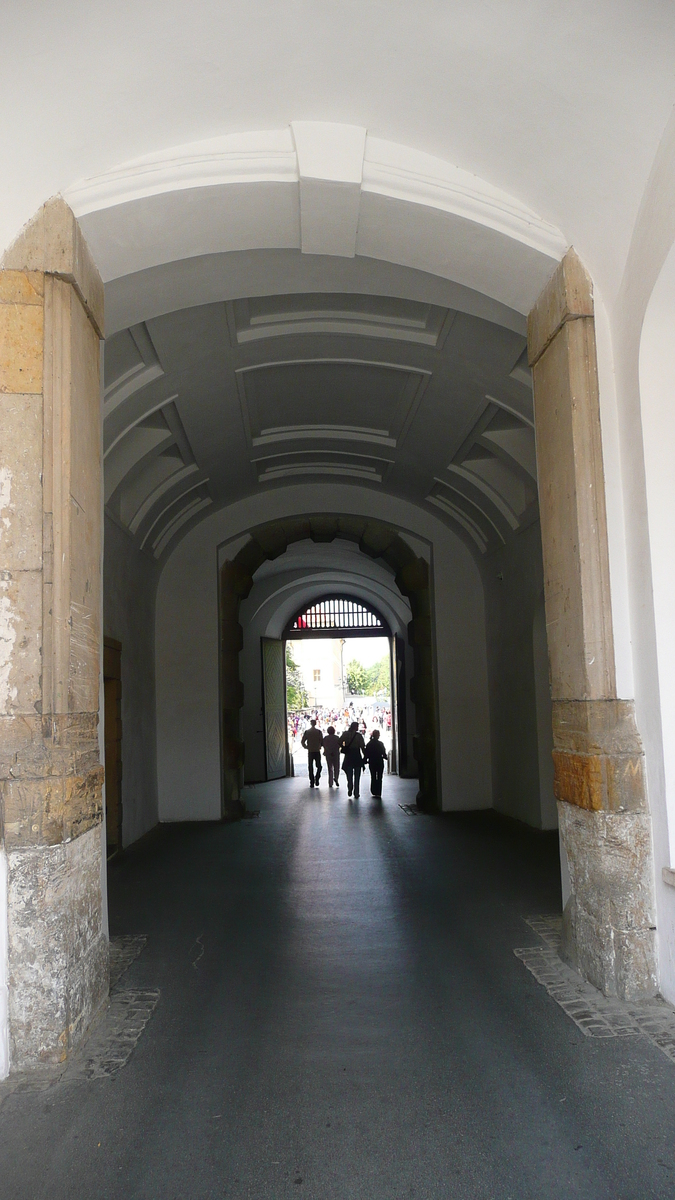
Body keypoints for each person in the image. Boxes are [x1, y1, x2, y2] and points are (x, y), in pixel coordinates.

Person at [340, 721, 366, 799]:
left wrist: (344, 746)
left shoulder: (345, 734)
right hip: (357, 755)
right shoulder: (359, 736)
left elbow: (339, 742)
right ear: (356, 727)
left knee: (349, 773)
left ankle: (350, 785)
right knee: (357, 775)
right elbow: (362, 746)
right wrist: (365, 757)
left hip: (348, 755)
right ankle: (356, 792)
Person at [364, 729, 387, 798]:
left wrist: (365, 760)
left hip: (372, 761)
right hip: (379, 761)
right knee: (379, 777)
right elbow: (384, 753)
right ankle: (379, 791)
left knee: (373, 776)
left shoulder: (369, 744)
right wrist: (385, 757)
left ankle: (373, 790)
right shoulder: (380, 744)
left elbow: (366, 754)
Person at [301, 718, 323, 787]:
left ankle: (312, 781)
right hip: (317, 751)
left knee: (310, 766)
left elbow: (302, 741)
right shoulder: (319, 732)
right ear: (315, 723)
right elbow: (322, 741)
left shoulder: (307, 732)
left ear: (310, 724)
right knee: (319, 766)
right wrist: (320, 745)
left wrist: (306, 746)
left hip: (310, 751)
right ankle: (317, 777)